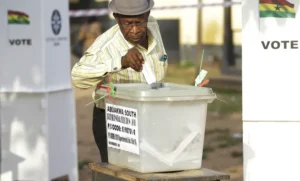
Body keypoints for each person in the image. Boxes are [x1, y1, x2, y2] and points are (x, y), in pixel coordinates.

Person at [71, 0, 168, 162]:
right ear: (116, 18)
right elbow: (77, 77)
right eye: (128, 24)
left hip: (149, 115)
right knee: (121, 173)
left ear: (147, 15)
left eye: (139, 22)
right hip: (116, 121)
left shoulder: (153, 25)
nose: (135, 30)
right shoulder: (106, 46)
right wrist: (120, 62)